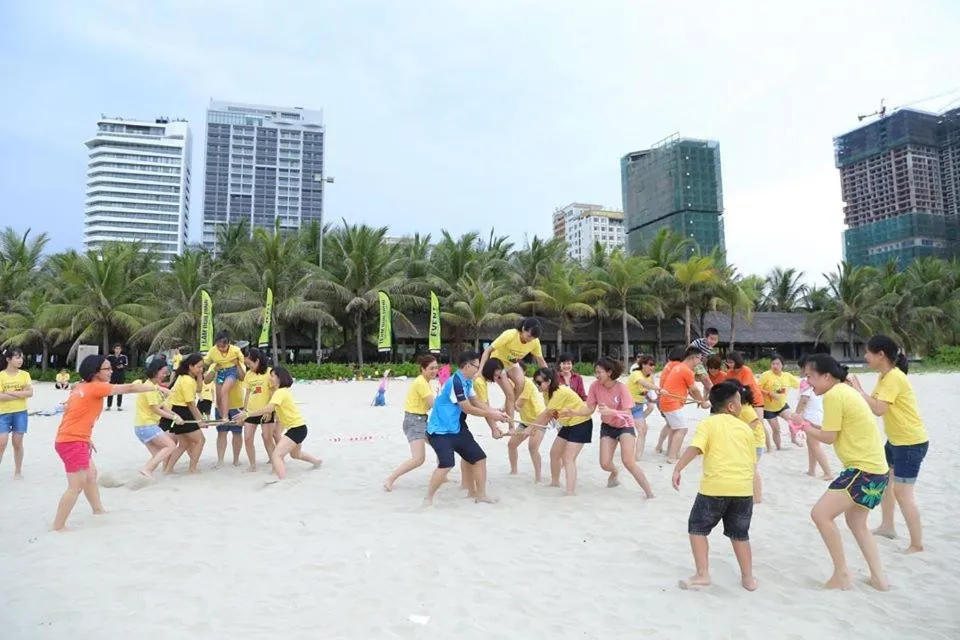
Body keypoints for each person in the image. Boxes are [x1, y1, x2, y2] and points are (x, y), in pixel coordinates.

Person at [801, 354, 890, 591]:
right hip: (878, 470)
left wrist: (802, 425)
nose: (808, 381)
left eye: (810, 376)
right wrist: (805, 424)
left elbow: (829, 438)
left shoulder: (834, 395)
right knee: (856, 522)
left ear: (827, 376)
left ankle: (841, 575)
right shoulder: (845, 391)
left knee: (820, 514)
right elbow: (834, 431)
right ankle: (879, 579)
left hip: (863, 470)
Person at [52, 355, 158, 531]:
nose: (111, 371)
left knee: (91, 475)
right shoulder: (96, 387)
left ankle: (98, 509)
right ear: (95, 372)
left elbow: (74, 415)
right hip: (72, 441)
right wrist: (157, 389)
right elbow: (130, 387)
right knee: (75, 486)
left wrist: (87, 438)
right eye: (107, 369)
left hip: (74, 438)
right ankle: (58, 525)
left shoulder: (81, 386)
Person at [672, 381, 757, 591]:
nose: (741, 405)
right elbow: (752, 462)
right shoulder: (745, 429)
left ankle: (702, 575)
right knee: (740, 535)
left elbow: (696, 448)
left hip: (715, 487)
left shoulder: (708, 424)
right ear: (731, 407)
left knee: (697, 528)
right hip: (743, 490)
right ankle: (748, 579)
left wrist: (678, 468)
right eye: (739, 401)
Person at [848, 335, 929, 554]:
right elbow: (871, 406)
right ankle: (887, 526)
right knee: (885, 482)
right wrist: (855, 391)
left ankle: (917, 544)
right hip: (895, 441)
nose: (865, 357)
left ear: (881, 354)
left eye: (868, 353)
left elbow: (878, 409)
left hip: (911, 443)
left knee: (903, 493)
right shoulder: (884, 377)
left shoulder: (893, 377)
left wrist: (859, 391)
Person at [560, 357, 654, 498]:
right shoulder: (595, 386)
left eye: (599, 372)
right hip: (608, 427)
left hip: (625, 426)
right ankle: (615, 472)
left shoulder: (622, 388)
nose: (596, 375)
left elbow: (628, 414)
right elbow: (589, 409)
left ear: (609, 372)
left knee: (628, 461)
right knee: (604, 464)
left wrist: (612, 412)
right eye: (595, 372)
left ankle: (649, 493)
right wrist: (574, 412)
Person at [422, 351, 508, 506]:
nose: (478, 369)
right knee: (447, 464)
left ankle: (480, 495)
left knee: (479, 458)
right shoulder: (456, 382)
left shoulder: (468, 381)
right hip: (439, 431)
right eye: (476, 366)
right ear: (467, 365)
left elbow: (476, 401)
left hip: (456, 428)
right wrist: (493, 415)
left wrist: (494, 412)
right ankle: (428, 498)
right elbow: (467, 408)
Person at [237, 367, 322, 481]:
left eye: (272, 376)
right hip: (300, 428)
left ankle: (282, 480)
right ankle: (316, 462)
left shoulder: (280, 392)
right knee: (295, 455)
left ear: (279, 378)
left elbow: (269, 407)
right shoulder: (283, 391)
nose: (269, 378)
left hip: (296, 429)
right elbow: (275, 410)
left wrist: (248, 414)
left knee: (276, 455)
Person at [478, 318, 548, 428]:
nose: (530, 340)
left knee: (521, 383)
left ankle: (506, 408)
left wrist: (550, 378)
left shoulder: (534, 341)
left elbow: (541, 361)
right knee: (510, 394)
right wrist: (480, 370)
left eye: (533, 338)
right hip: (497, 363)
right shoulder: (510, 334)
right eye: (529, 336)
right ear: (523, 328)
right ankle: (511, 426)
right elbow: (488, 350)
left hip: (511, 364)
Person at [533, 367, 593, 496]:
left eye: (539, 382)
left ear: (548, 381)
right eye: (535, 382)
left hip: (581, 423)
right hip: (568, 424)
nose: (537, 385)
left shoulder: (559, 391)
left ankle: (570, 492)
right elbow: (550, 414)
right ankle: (555, 482)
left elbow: (546, 414)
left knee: (568, 458)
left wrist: (530, 429)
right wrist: (534, 428)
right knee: (554, 453)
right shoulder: (547, 393)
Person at [384, 354, 438, 491]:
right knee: (418, 459)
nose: (434, 371)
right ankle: (390, 479)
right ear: (422, 369)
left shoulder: (426, 382)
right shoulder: (421, 382)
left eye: (436, 368)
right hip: (414, 421)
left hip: (422, 420)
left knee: (441, 444)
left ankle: (441, 475)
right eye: (431, 368)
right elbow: (433, 404)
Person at [660, 347, 710, 464]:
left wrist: (700, 401)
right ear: (694, 357)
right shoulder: (686, 370)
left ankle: (671, 452)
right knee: (682, 429)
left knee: (675, 428)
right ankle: (672, 456)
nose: (700, 362)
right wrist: (702, 402)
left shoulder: (679, 367)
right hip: (671, 403)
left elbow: (690, 390)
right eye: (700, 359)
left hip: (667, 402)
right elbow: (695, 390)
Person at [131, 358, 180, 478]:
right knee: (170, 446)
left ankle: (144, 474)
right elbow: (156, 409)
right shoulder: (149, 387)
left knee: (158, 454)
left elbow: (162, 406)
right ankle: (147, 470)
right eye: (163, 372)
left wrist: (175, 415)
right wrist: (173, 418)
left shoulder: (154, 387)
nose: (165, 375)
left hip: (143, 426)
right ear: (155, 371)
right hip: (147, 425)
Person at [163, 354, 208, 475]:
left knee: (183, 444)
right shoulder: (187, 380)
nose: (201, 369)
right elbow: (191, 404)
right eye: (198, 367)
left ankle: (168, 469)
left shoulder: (185, 377)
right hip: (182, 411)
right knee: (200, 440)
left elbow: (198, 389)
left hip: (178, 410)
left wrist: (199, 375)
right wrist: (200, 420)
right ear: (190, 366)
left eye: (202, 367)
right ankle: (192, 468)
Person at [794, 355, 833, 479]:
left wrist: (796, 414)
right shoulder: (815, 381)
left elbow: (804, 400)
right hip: (815, 416)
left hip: (812, 418)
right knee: (811, 445)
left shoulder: (806, 382)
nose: (801, 371)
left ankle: (828, 472)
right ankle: (811, 470)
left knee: (814, 445)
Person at [507, 368, 547, 483]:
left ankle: (538, 478)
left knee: (532, 448)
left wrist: (507, 408)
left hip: (539, 421)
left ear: (523, 373)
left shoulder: (527, 384)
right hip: (525, 421)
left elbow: (517, 404)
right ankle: (514, 471)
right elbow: (510, 402)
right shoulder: (511, 384)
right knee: (511, 445)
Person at [0, 348, 34, 478]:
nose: (21, 360)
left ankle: (18, 471)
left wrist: (10, 393)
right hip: (3, 413)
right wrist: (20, 394)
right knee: (2, 443)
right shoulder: (1, 375)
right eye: (17, 357)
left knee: (17, 443)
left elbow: (30, 393)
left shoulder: (25, 374)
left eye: (21, 357)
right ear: (8, 359)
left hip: (20, 412)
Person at [241, 349, 276, 473]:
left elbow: (273, 392)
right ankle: (252, 465)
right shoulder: (249, 374)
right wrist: (244, 410)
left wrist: (269, 411)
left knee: (267, 438)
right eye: (247, 365)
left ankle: (275, 463)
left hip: (266, 410)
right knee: (248, 438)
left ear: (257, 361)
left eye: (250, 364)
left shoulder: (269, 372)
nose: (248, 367)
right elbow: (247, 393)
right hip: (251, 411)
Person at [758, 354, 801, 450]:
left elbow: (800, 385)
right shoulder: (766, 375)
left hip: (782, 405)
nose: (775, 366)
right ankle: (778, 448)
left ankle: (793, 439)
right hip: (768, 409)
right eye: (773, 364)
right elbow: (757, 388)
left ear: (782, 365)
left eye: (777, 364)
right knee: (776, 430)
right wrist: (769, 393)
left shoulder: (787, 376)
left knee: (793, 421)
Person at [203, 331, 245, 429]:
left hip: (232, 371)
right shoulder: (213, 351)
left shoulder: (236, 350)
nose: (221, 349)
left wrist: (238, 363)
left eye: (223, 347)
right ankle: (222, 416)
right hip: (221, 371)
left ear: (228, 343)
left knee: (224, 390)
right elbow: (205, 361)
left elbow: (242, 363)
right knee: (219, 395)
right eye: (218, 346)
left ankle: (225, 417)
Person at [654, 347, 685, 454]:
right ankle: (671, 451)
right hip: (667, 399)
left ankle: (659, 446)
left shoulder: (669, 364)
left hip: (661, 398)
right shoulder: (677, 366)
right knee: (675, 426)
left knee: (669, 424)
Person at [738, 385, 766, 504]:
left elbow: (755, 421)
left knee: (752, 469)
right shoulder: (742, 407)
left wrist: (742, 434)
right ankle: (750, 493)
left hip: (755, 443)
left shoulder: (746, 409)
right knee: (748, 469)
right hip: (751, 442)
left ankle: (757, 497)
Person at [626, 354, 658, 459]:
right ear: (643, 365)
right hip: (626, 407)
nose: (652, 367)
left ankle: (637, 457)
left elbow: (648, 392)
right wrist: (658, 388)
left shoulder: (651, 378)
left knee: (643, 430)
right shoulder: (636, 373)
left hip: (638, 407)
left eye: (654, 365)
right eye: (650, 365)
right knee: (623, 432)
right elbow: (643, 383)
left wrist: (654, 399)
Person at [214, 374, 245, 469]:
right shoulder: (216, 366)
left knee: (237, 432)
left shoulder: (238, 366)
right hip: (220, 405)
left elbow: (242, 377)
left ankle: (236, 459)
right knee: (221, 432)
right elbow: (208, 380)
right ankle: (220, 460)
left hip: (237, 405)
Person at [690, 327, 720, 392]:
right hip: (692, 360)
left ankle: (708, 395)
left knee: (706, 380)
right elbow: (689, 350)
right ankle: (714, 392)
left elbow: (704, 359)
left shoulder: (710, 348)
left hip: (699, 364)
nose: (713, 341)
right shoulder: (698, 342)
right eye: (711, 339)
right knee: (706, 380)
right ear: (706, 337)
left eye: (715, 339)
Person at [105, 343, 128, 411]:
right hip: (112, 375)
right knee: (110, 390)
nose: (118, 350)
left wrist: (122, 366)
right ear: (114, 349)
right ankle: (109, 406)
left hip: (121, 375)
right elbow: (105, 364)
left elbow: (126, 364)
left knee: (120, 390)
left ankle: (119, 406)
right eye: (116, 349)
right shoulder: (110, 357)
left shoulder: (124, 357)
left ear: (121, 350)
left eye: (119, 349)